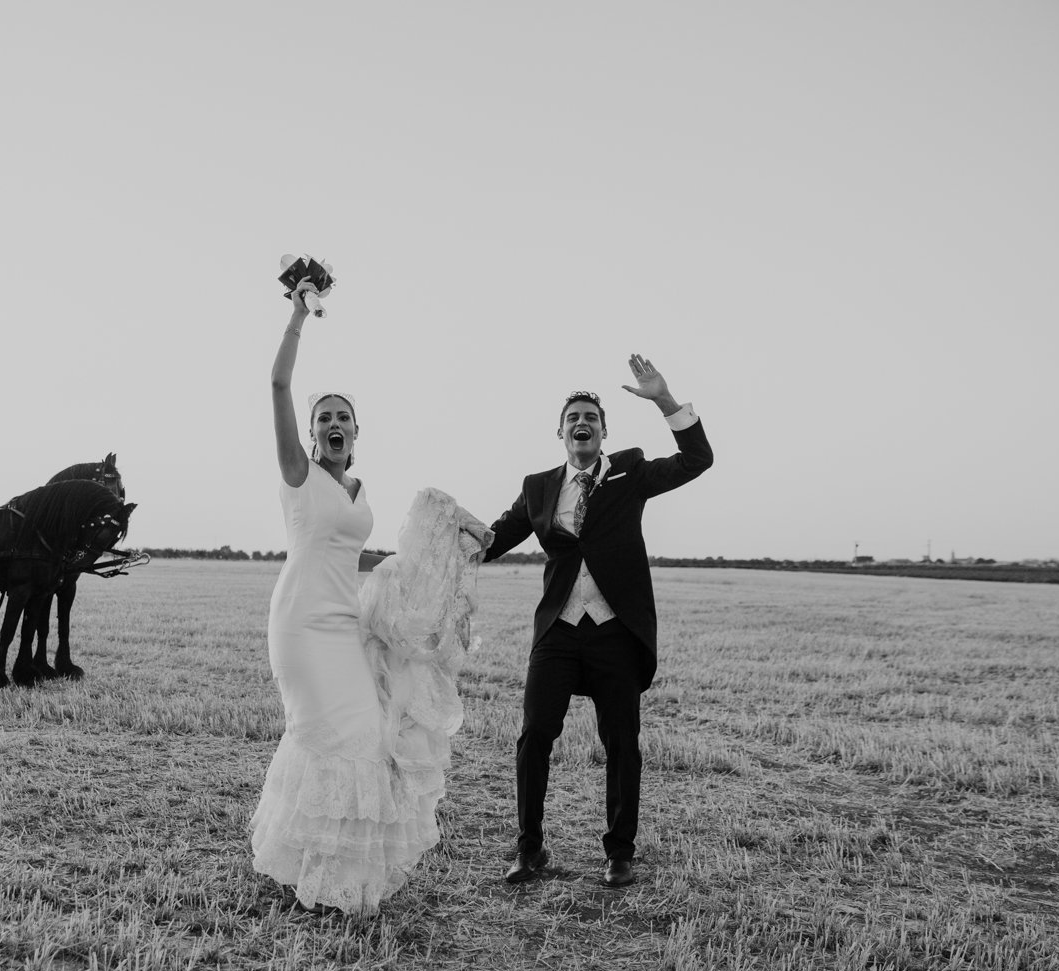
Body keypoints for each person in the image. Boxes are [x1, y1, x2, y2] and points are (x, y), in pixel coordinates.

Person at [249, 286, 489, 917]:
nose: (332, 424)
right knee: (337, 734)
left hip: (346, 620)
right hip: (302, 624)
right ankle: (323, 874)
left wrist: (444, 535)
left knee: (365, 730)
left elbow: (376, 548)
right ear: (309, 433)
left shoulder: (358, 489)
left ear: (356, 433)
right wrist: (298, 316)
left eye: (342, 417)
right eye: (322, 417)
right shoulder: (299, 476)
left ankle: (333, 867)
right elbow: (277, 385)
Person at [485, 355, 712, 889]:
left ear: (604, 430)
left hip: (616, 630)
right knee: (534, 734)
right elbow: (498, 538)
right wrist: (445, 542)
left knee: (621, 742)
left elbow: (697, 458)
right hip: (559, 630)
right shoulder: (539, 487)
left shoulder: (631, 475)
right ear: (560, 432)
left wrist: (663, 398)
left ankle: (619, 853)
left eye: (590, 416)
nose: (581, 423)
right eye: (572, 417)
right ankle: (529, 849)